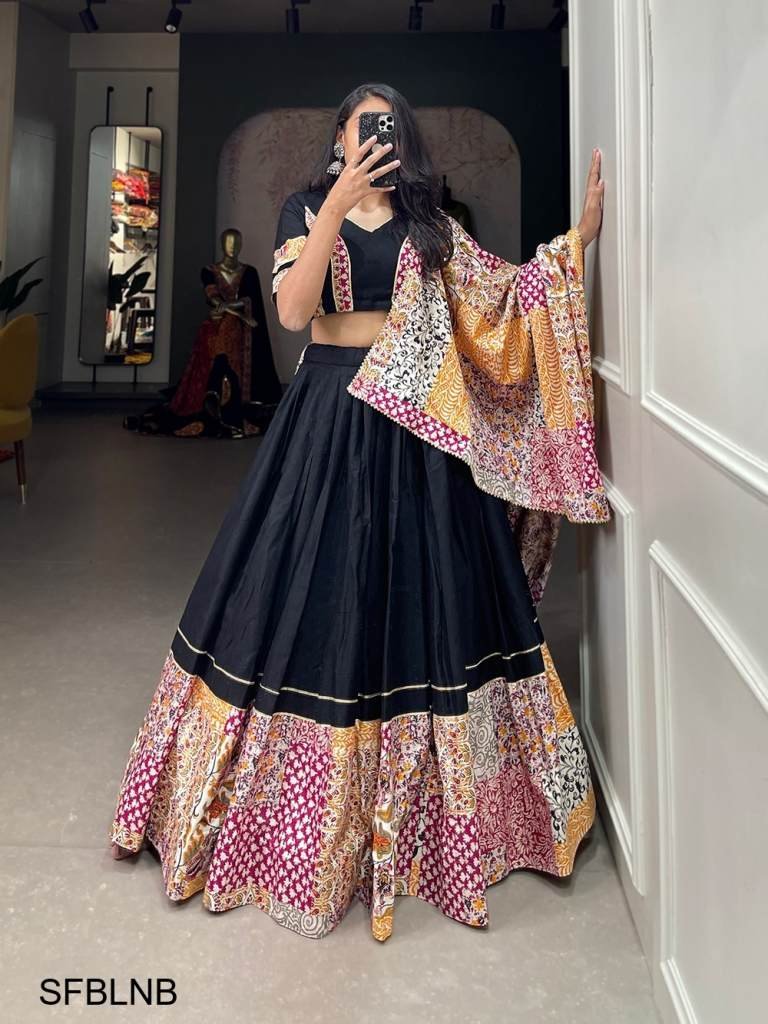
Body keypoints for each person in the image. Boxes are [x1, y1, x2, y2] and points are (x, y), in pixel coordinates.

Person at [107, 82, 609, 943]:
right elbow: (293, 312)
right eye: (359, 123)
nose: (374, 134)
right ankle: (306, 828)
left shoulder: (430, 222)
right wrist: (337, 205)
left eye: (388, 124)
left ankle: (445, 826)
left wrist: (577, 245)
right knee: (317, 592)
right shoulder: (305, 210)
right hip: (330, 416)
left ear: (402, 137)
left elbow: (498, 300)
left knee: (429, 601)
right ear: (339, 135)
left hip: (422, 427)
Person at [122, 228, 282, 438]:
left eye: (236, 242)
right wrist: (234, 311)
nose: (233, 247)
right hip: (216, 327)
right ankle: (213, 397)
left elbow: (249, 300)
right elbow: (213, 298)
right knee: (220, 339)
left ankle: (220, 398)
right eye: (229, 242)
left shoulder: (249, 272)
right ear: (222, 244)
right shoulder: (209, 271)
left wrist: (228, 308)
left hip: (240, 332)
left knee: (228, 336)